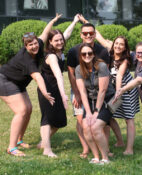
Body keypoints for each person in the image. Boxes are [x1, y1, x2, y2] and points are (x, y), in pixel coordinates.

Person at [0, 13, 61, 156]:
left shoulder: (38, 44)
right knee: (21, 111)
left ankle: (20, 140)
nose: (34, 46)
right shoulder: (26, 59)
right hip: (4, 80)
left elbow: (45, 33)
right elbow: (38, 77)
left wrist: (52, 20)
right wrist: (45, 93)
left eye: (35, 43)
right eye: (30, 45)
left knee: (28, 108)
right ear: (25, 46)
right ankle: (12, 147)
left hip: (18, 83)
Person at [37, 14, 80, 157]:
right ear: (50, 42)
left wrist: (74, 21)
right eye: (56, 40)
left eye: (61, 40)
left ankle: (44, 141)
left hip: (56, 89)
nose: (60, 42)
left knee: (60, 121)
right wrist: (63, 95)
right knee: (47, 119)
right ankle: (47, 149)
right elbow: (58, 75)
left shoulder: (59, 50)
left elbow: (66, 34)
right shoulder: (51, 56)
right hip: (47, 89)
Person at [67, 22, 111, 158]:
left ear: (95, 34)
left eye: (91, 33)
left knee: (103, 123)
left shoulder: (103, 51)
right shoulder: (73, 51)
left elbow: (105, 78)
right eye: (85, 33)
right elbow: (71, 74)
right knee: (82, 120)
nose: (88, 35)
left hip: (100, 92)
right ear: (81, 35)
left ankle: (105, 149)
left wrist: (97, 109)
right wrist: (77, 94)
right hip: (81, 89)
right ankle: (86, 149)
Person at [75, 43, 115, 164]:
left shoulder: (101, 66)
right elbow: (82, 92)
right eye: (84, 54)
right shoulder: (78, 69)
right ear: (80, 56)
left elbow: (102, 90)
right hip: (92, 100)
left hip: (109, 100)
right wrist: (88, 112)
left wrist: (96, 112)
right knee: (86, 126)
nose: (87, 55)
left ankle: (105, 158)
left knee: (96, 127)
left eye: (89, 53)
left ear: (93, 54)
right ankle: (96, 157)